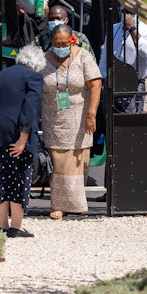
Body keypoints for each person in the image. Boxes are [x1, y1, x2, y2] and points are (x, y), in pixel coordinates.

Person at [0, 44, 46, 238]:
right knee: (17, 178)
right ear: (37, 64)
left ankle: (1, 226)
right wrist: (23, 138)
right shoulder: (33, 77)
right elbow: (30, 109)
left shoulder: (0, 75)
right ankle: (15, 227)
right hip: (14, 132)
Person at [40, 23, 102, 220]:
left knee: (75, 161)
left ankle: (74, 203)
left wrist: (91, 114)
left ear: (71, 40)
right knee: (58, 163)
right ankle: (59, 205)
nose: (61, 47)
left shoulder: (83, 56)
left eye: (64, 43)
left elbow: (96, 84)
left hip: (79, 119)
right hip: (53, 119)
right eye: (57, 44)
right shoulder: (44, 59)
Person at [98, 5, 147, 113]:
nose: (127, 16)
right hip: (112, 84)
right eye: (124, 11)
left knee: (131, 123)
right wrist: (102, 80)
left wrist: (132, 29)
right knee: (110, 122)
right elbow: (105, 57)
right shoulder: (113, 29)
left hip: (133, 85)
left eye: (130, 12)